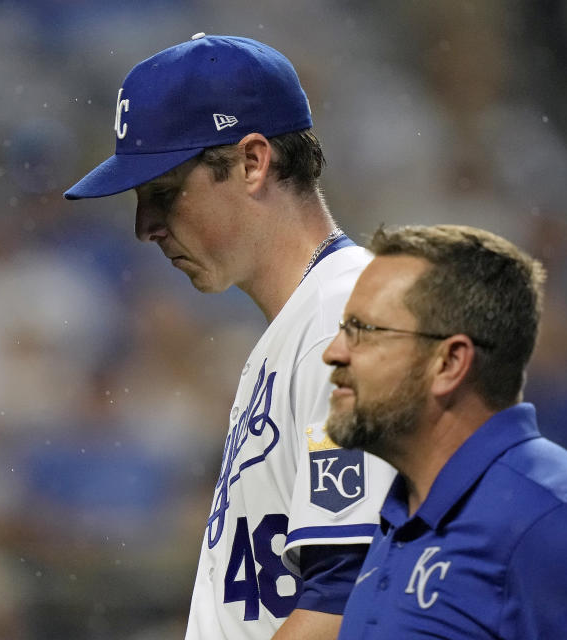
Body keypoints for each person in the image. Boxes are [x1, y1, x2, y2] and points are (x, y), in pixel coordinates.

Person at [65, 33, 395, 640]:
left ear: (252, 161)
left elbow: (344, 605)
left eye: (163, 193)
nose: (145, 227)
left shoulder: (347, 316)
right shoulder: (295, 328)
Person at [321, 224, 567, 639]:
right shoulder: (401, 516)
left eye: (364, 331)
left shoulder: (558, 526)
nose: (334, 353)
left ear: (449, 363)